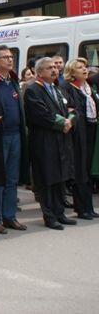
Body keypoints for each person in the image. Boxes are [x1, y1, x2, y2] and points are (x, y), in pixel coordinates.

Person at [0, 45, 29, 234]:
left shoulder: (13, 81)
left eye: (11, 56)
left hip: (16, 135)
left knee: (12, 178)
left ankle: (10, 216)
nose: (10, 60)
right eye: (5, 57)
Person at [24, 57, 76, 230]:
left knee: (60, 177)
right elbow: (41, 114)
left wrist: (70, 120)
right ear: (39, 72)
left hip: (61, 139)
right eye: (49, 68)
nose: (54, 70)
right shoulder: (33, 90)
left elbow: (71, 108)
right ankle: (49, 216)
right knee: (47, 178)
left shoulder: (57, 88)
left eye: (55, 67)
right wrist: (62, 123)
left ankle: (60, 213)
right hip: (44, 140)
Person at [60, 58, 98, 219]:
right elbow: (70, 110)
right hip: (77, 135)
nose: (85, 69)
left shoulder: (88, 87)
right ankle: (82, 209)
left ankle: (89, 207)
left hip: (91, 130)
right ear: (72, 72)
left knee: (88, 171)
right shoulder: (68, 88)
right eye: (80, 67)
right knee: (80, 171)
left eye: (85, 66)